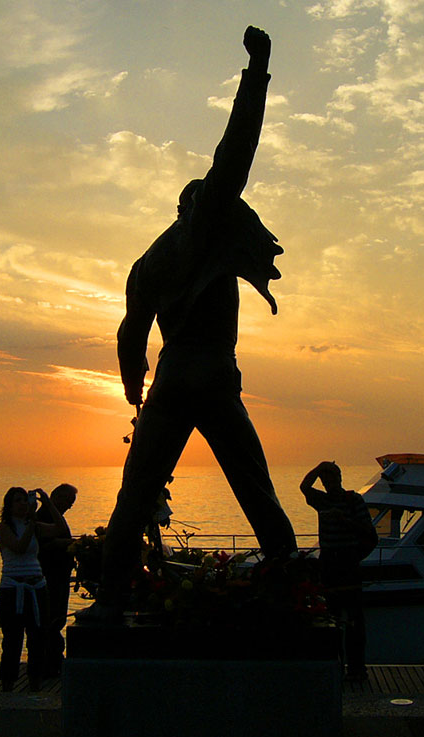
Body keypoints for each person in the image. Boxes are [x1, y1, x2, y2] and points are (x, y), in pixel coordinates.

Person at [85, 26, 296, 618]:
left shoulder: (146, 262)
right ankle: (288, 579)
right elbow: (235, 153)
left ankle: (109, 600)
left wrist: (133, 383)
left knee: (136, 493)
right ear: (197, 207)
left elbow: (130, 332)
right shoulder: (203, 233)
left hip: (170, 377)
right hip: (209, 373)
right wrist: (257, 72)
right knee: (254, 487)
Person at [300, 461, 373, 681]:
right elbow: (304, 487)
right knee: (330, 619)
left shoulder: (353, 500)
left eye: (332, 478)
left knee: (354, 620)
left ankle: (357, 669)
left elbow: (368, 532)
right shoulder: (321, 501)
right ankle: (335, 666)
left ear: (340, 478)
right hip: (329, 564)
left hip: (348, 563)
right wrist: (319, 467)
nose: (329, 483)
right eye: (326, 479)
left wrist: (345, 521)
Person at [0, 487, 69, 691]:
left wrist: (48, 503)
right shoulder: (4, 527)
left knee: (38, 639)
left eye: (24, 500)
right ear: (9, 505)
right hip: (13, 589)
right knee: (12, 640)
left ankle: (34, 682)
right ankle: (8, 683)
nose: (22, 504)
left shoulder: (34, 526)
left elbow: (60, 528)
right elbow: (19, 547)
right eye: (18, 501)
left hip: (37, 587)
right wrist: (32, 523)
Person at [37, 484, 76, 677]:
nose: (68, 506)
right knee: (52, 618)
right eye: (67, 502)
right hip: (50, 575)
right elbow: (43, 545)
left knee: (56, 618)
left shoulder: (53, 516)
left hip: (59, 574)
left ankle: (53, 661)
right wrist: (69, 544)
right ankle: (50, 663)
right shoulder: (44, 517)